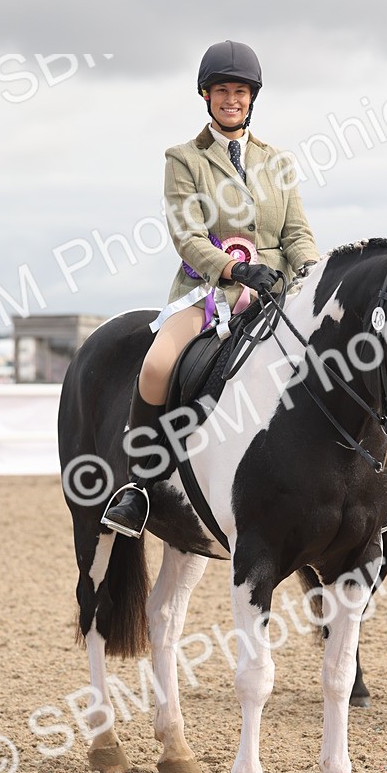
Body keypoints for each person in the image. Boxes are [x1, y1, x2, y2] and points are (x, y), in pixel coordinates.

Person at [102, 40, 320, 537]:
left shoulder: (279, 161)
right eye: (222, 90)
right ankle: (140, 485)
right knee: (157, 366)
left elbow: (297, 234)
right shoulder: (183, 159)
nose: (231, 100)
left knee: (334, 358)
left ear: (252, 97)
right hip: (207, 292)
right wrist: (234, 271)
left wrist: (310, 271)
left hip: (279, 292)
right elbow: (187, 235)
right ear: (206, 95)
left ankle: (358, 484)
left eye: (240, 91)